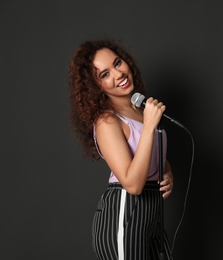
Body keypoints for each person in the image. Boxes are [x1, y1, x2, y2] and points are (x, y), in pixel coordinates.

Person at [68, 38, 174, 260]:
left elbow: (146, 154)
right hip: (126, 212)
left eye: (117, 63)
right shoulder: (107, 121)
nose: (118, 74)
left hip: (154, 214)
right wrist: (149, 126)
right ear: (95, 87)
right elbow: (133, 184)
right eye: (104, 74)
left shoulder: (140, 109)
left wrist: (166, 170)